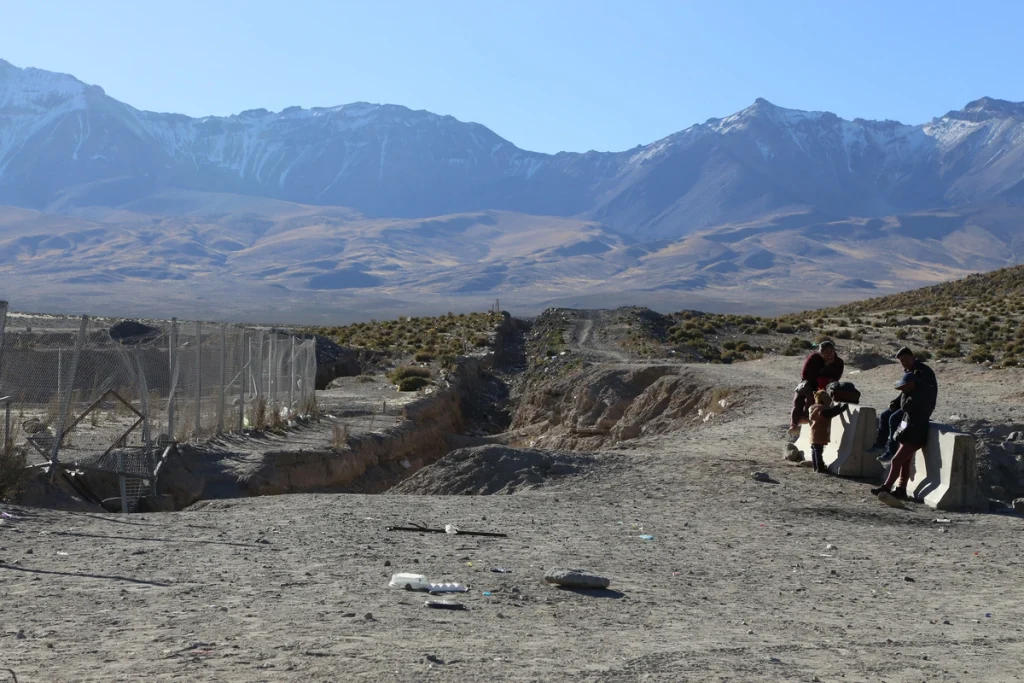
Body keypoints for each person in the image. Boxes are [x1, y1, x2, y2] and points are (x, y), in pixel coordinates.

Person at [866, 347, 937, 462]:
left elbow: (920, 394)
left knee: (894, 419)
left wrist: (903, 404)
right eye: (901, 361)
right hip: (909, 403)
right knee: (884, 415)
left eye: (906, 359)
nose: (904, 363)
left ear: (913, 357)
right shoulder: (909, 371)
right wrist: (896, 402)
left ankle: (891, 450)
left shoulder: (923, 371)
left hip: (920, 407)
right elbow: (906, 391)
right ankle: (880, 445)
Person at [870, 372, 931, 500]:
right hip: (910, 433)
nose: (902, 389)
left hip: (915, 435)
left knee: (896, 460)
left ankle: (887, 487)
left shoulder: (916, 396)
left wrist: (903, 394)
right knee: (904, 463)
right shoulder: (917, 393)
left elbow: (905, 407)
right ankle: (901, 489)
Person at [788, 340, 845, 437]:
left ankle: (806, 417)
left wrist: (826, 371)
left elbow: (836, 377)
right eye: (825, 353)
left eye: (831, 352)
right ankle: (794, 425)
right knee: (798, 399)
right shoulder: (814, 358)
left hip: (826, 386)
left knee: (812, 397)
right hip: (809, 383)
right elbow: (805, 374)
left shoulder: (838, 362)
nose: (829, 355)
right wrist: (823, 369)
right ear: (821, 353)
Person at [807, 390, 850, 473]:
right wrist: (842, 408)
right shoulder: (822, 409)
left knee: (814, 449)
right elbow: (831, 413)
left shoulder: (814, 407)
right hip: (820, 432)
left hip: (814, 432)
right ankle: (820, 467)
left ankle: (815, 466)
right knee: (818, 450)